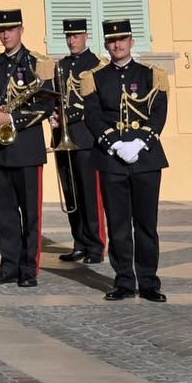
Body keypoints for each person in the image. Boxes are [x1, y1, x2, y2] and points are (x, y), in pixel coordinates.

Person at [83, 19, 169, 303]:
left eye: (122, 39)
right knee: (118, 224)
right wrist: (115, 143)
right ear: (106, 44)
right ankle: (123, 281)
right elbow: (93, 115)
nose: (117, 45)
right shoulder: (95, 77)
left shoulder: (150, 75)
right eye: (112, 41)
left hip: (145, 159)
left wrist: (141, 141)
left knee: (146, 224)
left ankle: (148, 282)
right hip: (112, 159)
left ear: (132, 41)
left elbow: (158, 112)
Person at [0, 7, 55, 288]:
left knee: (30, 213)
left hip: (27, 149)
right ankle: (8, 267)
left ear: (21, 30)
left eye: (10, 29)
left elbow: (46, 105)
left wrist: (10, 118)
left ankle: (29, 269)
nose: (6, 34)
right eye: (1, 30)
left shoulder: (38, 63)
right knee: (5, 213)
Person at [53, 18, 106, 266]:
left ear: (86, 36)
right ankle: (79, 242)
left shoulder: (95, 64)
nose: (72, 40)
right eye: (69, 36)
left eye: (76, 36)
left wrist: (69, 115)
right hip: (63, 138)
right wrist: (53, 115)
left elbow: (94, 103)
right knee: (71, 194)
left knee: (89, 195)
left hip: (85, 138)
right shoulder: (60, 65)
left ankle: (95, 245)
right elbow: (56, 98)